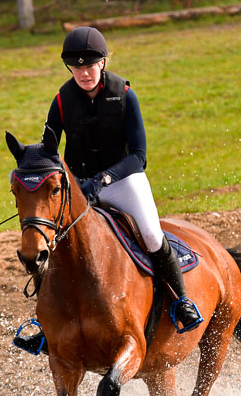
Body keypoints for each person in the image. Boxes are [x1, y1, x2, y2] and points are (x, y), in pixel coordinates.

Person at [14, 26, 202, 354]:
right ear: (69, 69)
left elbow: (139, 157)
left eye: (91, 66)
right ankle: (46, 328)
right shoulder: (61, 100)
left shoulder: (125, 95)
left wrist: (100, 182)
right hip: (79, 188)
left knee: (153, 236)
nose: (84, 73)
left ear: (104, 62)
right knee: (52, 242)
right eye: (77, 68)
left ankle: (181, 302)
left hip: (123, 181)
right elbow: (48, 148)